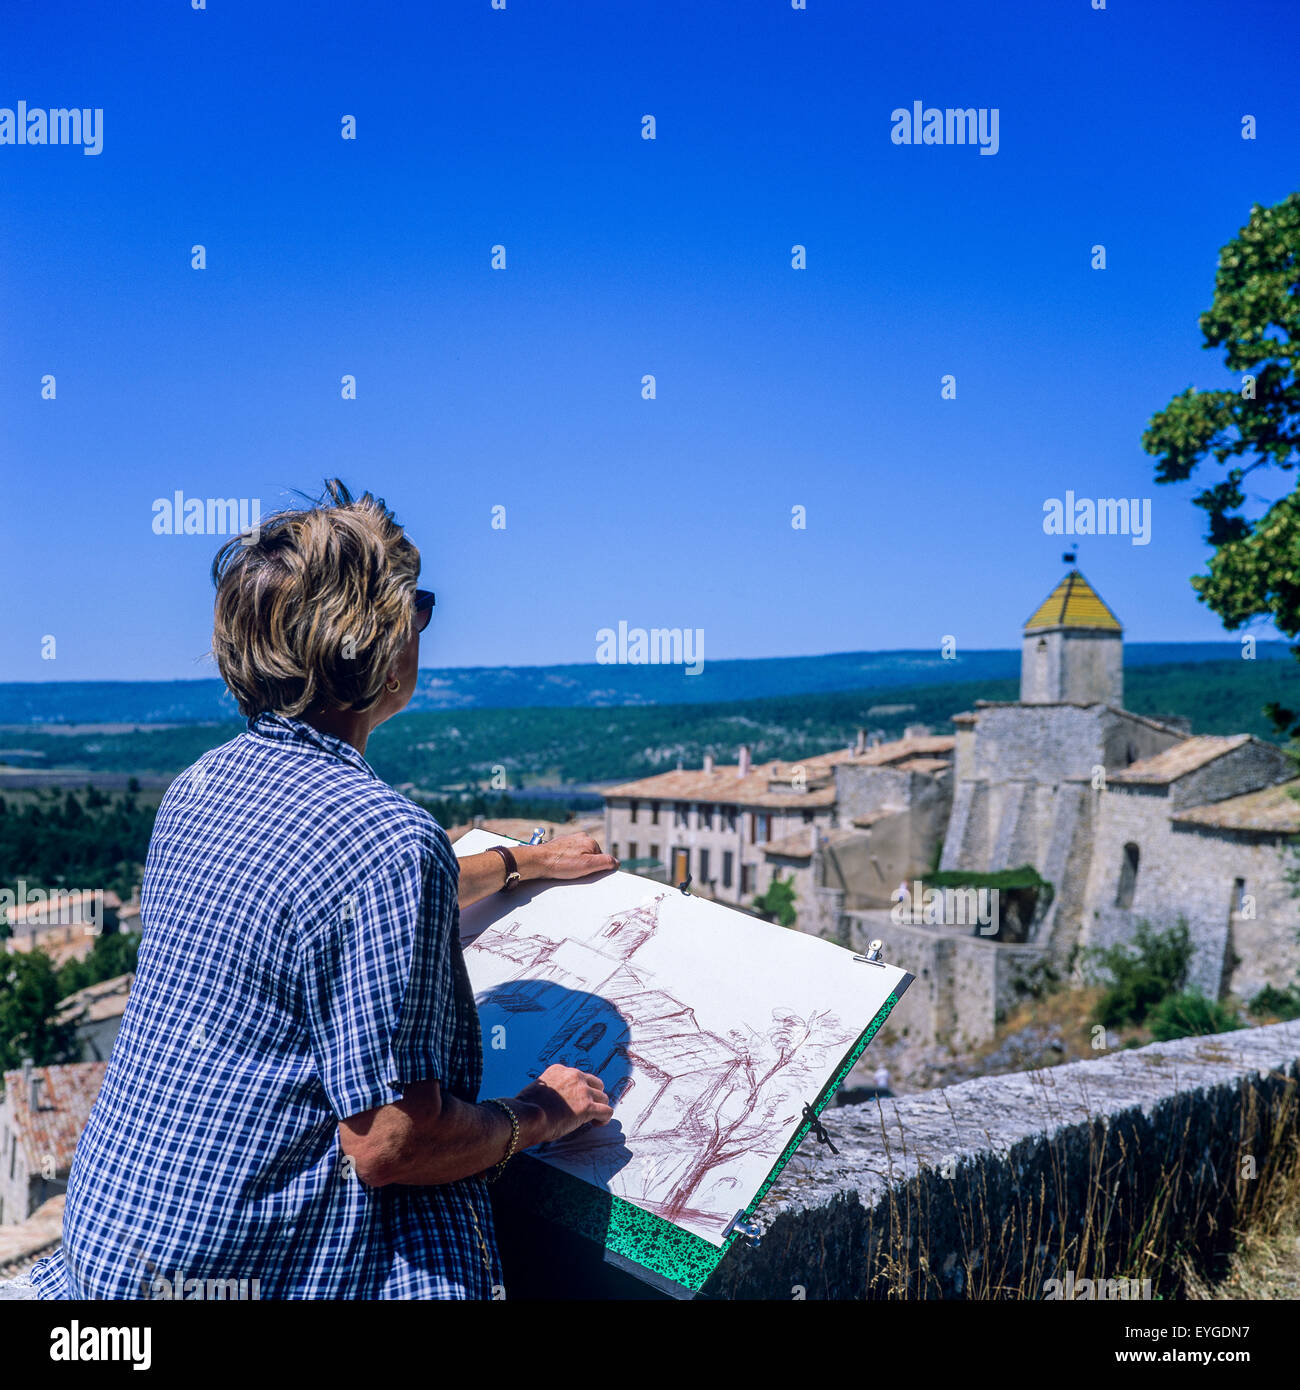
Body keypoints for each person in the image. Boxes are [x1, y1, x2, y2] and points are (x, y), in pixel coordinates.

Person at [28, 480, 614, 1300]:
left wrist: (520, 864)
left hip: (116, 1251)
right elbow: (391, 1145)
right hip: (251, 1271)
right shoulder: (386, 843)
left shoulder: (200, 787)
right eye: (418, 611)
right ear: (376, 642)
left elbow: (327, 903)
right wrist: (542, 1111)